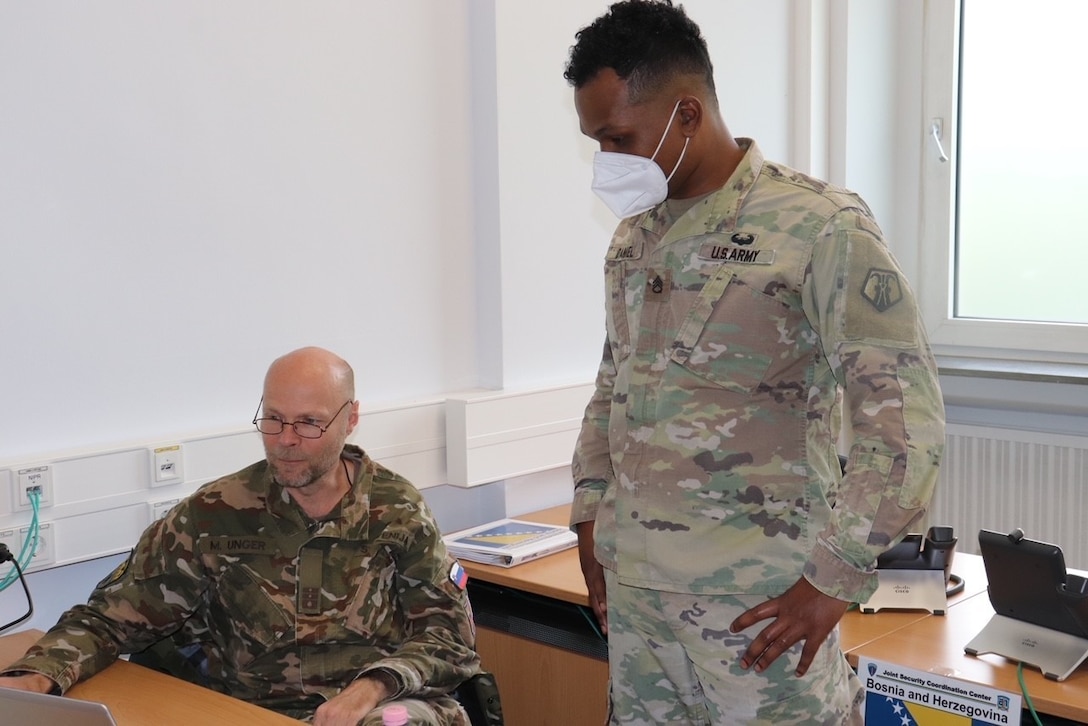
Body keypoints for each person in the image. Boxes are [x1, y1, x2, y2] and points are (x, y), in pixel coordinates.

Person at [564, 2, 945, 724]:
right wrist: (589, 517)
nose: (607, 162)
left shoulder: (819, 225)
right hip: (640, 602)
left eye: (618, 138)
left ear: (685, 113)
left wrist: (834, 580)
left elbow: (904, 426)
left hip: (758, 609)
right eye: (597, 143)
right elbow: (612, 388)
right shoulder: (633, 241)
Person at [0, 347, 482, 725]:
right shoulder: (216, 514)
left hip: (381, 705)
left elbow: (451, 639)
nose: (286, 439)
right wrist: (36, 675)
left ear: (350, 418)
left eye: (309, 422)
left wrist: (373, 686)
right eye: (272, 418)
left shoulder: (398, 512)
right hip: (249, 712)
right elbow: (110, 618)